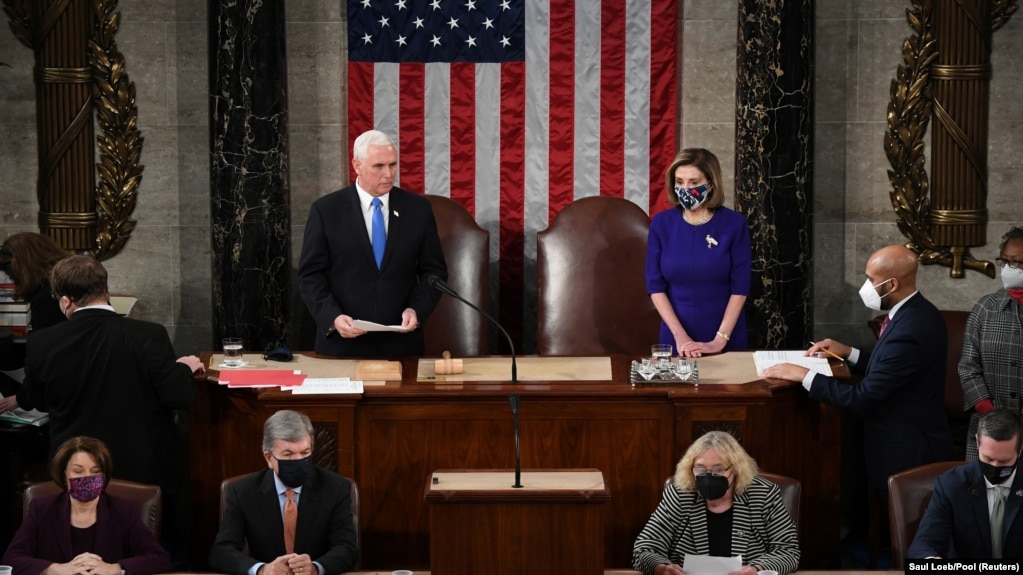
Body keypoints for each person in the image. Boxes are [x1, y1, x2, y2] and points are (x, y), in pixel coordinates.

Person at [0, 254, 204, 564]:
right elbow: (178, 395)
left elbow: (37, 399)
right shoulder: (148, 336)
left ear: (66, 301)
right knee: (148, 557)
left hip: (75, 469)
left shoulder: (43, 342)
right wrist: (183, 370)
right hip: (143, 472)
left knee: (79, 554)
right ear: (105, 291)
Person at [759, 245, 952, 495]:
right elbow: (891, 368)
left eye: (871, 280)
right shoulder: (917, 311)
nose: (867, 286)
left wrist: (803, 375)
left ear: (891, 284)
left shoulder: (910, 330)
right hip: (904, 438)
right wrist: (849, 352)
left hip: (907, 450)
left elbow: (861, 399)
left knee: (897, 527)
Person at [298, 129, 447, 358]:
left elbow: (433, 272)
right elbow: (310, 275)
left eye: (393, 165)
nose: (388, 174)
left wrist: (416, 309)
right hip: (342, 346)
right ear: (357, 166)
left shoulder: (418, 210)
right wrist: (333, 317)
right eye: (378, 166)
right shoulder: (326, 211)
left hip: (401, 346)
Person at [209, 409, 359, 575]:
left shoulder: (335, 488)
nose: (298, 461)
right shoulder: (243, 492)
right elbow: (222, 552)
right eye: (288, 454)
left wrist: (316, 567)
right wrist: (262, 570)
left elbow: (347, 549)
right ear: (269, 458)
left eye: (305, 453)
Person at [632, 431, 799, 575]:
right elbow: (644, 549)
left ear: (735, 469)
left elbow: (788, 552)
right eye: (700, 468)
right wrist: (662, 568)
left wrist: (756, 569)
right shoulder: (680, 495)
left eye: (718, 469)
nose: (708, 476)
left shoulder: (763, 495)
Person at [1, 436, 170, 575]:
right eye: (78, 471)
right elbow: (11, 560)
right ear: (64, 473)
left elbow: (158, 558)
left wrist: (115, 569)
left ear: (104, 476)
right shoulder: (42, 509)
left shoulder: (124, 510)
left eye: (95, 471)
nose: (87, 478)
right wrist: (53, 569)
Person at [646, 148, 751, 358]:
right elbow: (655, 286)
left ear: (710, 184)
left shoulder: (734, 224)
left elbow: (740, 287)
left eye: (694, 182)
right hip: (675, 336)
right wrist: (681, 337)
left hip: (725, 335)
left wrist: (719, 341)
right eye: (679, 182)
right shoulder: (661, 224)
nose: (685, 188)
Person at [908, 408, 1023, 559]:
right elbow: (922, 546)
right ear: (977, 442)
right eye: (988, 459)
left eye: (1004, 461)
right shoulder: (951, 485)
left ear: (1020, 450)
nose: (995, 466)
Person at [959, 226, 1023, 460]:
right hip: (987, 429)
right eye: (1004, 261)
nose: (1008, 269)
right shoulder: (986, 308)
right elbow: (967, 366)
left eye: (1016, 263)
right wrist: (988, 411)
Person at [0, 231, 70, 333]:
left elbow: (45, 343)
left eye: (13, 275)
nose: (14, 281)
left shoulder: (45, 298)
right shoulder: (66, 281)